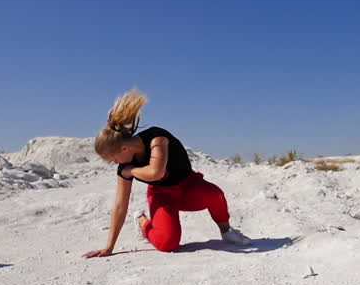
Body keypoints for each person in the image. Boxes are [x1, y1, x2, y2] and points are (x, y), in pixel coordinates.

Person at [84, 89, 250, 256]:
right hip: (162, 196)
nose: (115, 163)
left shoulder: (157, 138)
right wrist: (109, 247)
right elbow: (120, 205)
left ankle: (227, 232)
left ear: (124, 148)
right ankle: (142, 222)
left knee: (215, 194)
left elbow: (156, 172)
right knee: (168, 243)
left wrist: (132, 170)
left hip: (189, 186)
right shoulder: (124, 167)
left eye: (113, 158)